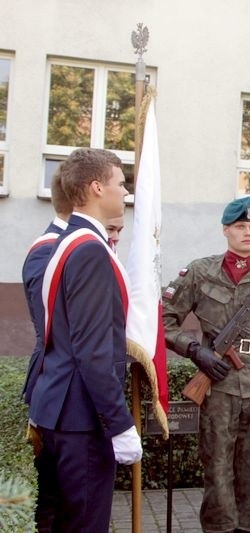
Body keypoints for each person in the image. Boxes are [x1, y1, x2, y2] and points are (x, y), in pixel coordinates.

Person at [162, 196, 250, 532]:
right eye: (240, 226)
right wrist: (197, 351)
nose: (248, 233)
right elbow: (164, 320)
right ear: (226, 230)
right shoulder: (200, 272)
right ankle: (219, 528)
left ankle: (248, 527)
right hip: (219, 388)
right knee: (217, 468)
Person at [28, 148, 142, 531]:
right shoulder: (90, 249)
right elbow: (92, 352)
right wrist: (121, 425)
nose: (125, 193)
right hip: (83, 419)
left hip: (62, 411)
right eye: (120, 184)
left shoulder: (68, 241)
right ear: (96, 187)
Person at [20, 168, 72, 531]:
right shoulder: (48, 250)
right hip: (57, 387)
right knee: (52, 502)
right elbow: (53, 326)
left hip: (73, 390)